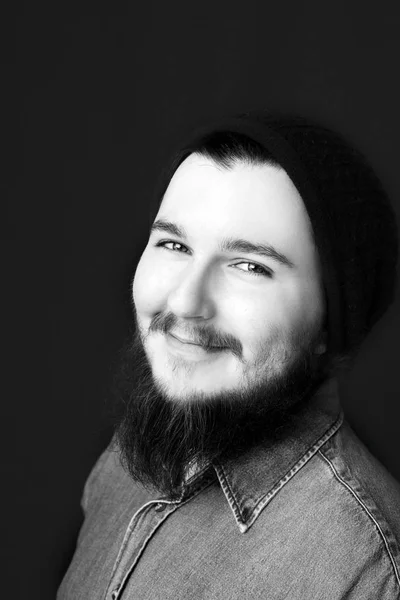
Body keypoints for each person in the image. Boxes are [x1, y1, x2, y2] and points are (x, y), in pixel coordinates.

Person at [57, 111, 400, 599]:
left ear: (330, 324)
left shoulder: (370, 570)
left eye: (249, 266)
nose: (185, 303)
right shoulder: (125, 462)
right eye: (174, 244)